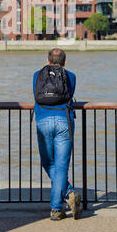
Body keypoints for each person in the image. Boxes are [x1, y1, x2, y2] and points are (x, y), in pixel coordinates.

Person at [33, 48, 82, 221]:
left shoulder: (36, 75)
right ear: (65, 62)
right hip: (64, 122)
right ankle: (58, 206)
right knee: (61, 166)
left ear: (47, 61)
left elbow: (36, 95)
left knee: (48, 163)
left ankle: (67, 195)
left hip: (43, 122)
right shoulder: (72, 76)